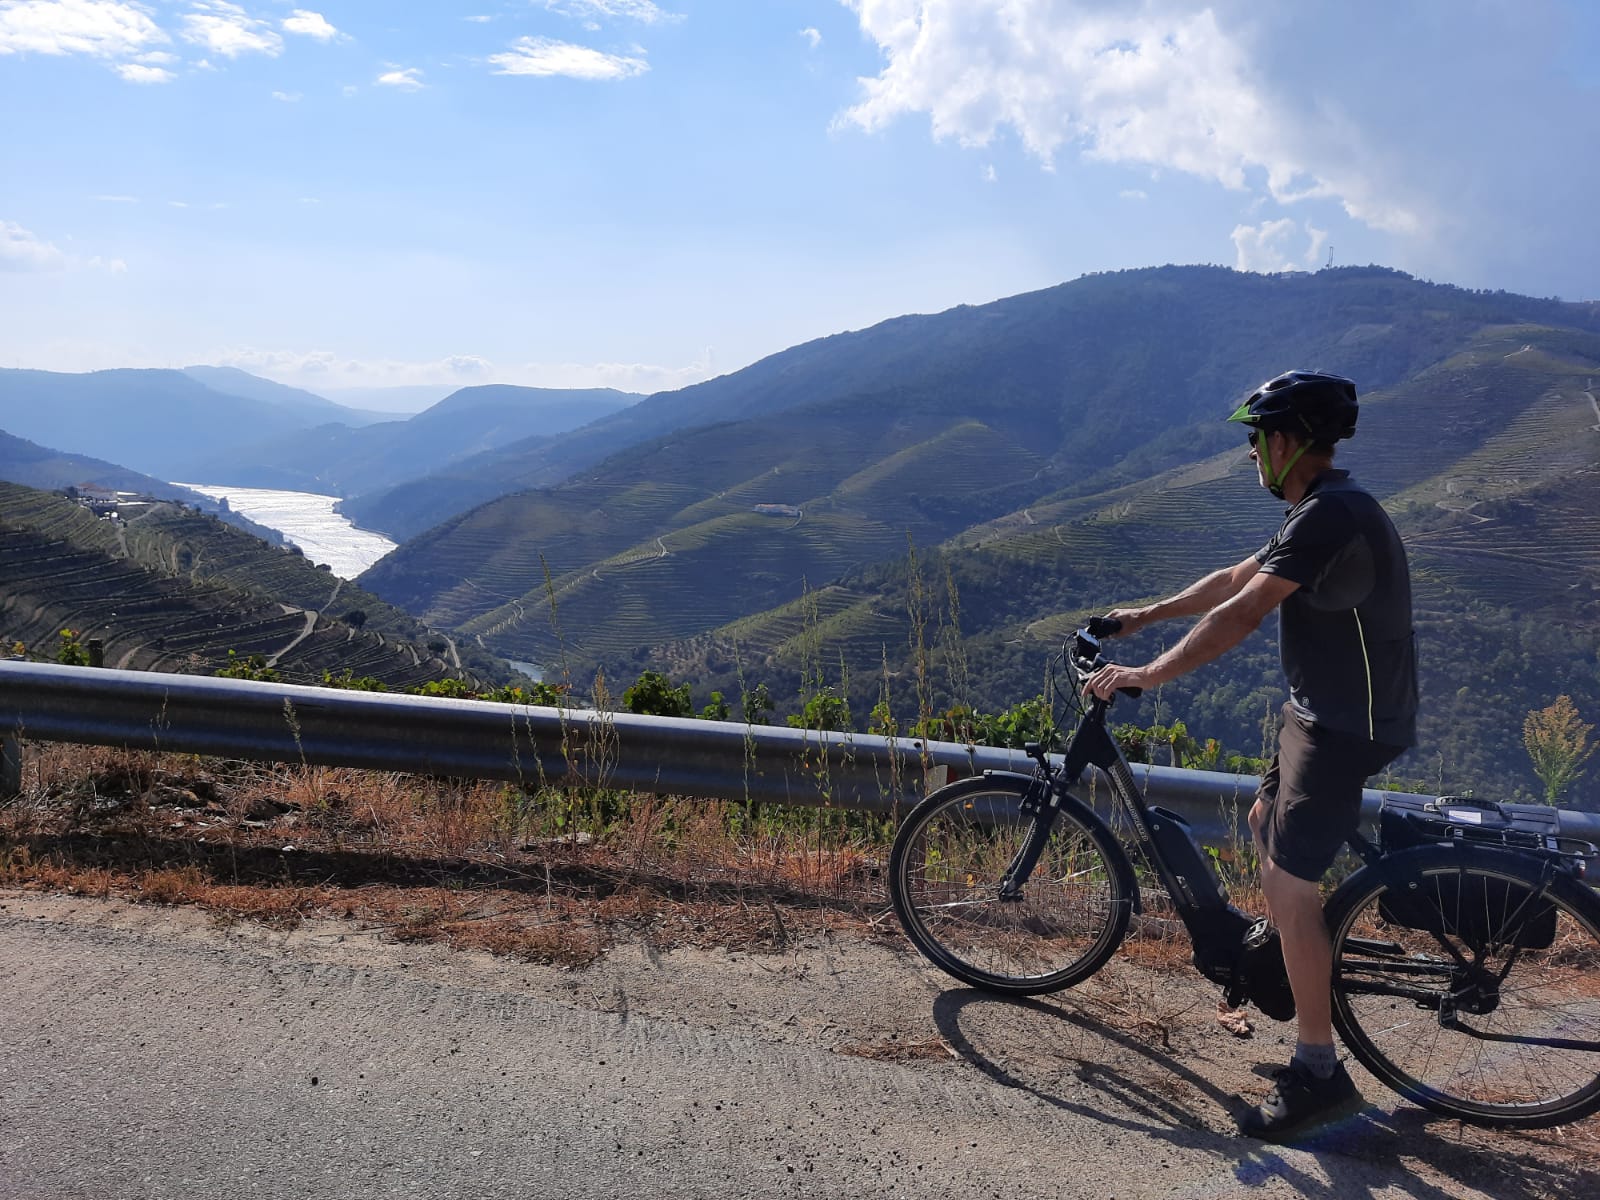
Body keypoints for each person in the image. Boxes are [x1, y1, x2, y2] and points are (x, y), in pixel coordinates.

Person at [1083, 370, 1418, 1142]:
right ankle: (1287, 958)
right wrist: (1144, 615)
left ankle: (1319, 1071)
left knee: (1288, 883)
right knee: (1266, 816)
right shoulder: (1320, 509)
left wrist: (1146, 673)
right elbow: (1237, 577)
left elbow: (1242, 611)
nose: (1250, 456)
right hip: (1320, 715)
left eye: (1256, 439)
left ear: (1287, 439)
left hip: (1346, 726)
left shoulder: (1333, 513)